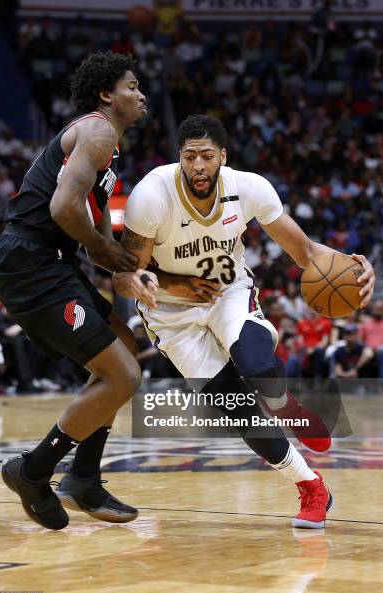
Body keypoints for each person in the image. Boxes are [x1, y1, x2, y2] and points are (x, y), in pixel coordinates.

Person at [119, 114, 375, 528]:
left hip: (227, 293)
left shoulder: (249, 187)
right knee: (235, 409)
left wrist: (355, 267)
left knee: (257, 368)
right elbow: (125, 275)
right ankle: (311, 486)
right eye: (189, 157)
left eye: (206, 156)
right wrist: (176, 283)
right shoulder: (150, 196)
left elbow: (305, 252)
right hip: (169, 314)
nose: (198, 166)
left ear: (223, 156)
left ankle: (285, 405)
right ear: (179, 158)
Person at [0, 52, 158, 531]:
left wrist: (120, 265)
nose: (141, 93)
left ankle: (83, 477)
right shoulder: (98, 130)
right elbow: (64, 207)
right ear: (107, 95)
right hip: (31, 260)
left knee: (125, 347)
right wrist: (103, 249)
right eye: (131, 85)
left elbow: (93, 221)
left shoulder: (108, 146)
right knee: (124, 376)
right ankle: (34, 470)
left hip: (51, 260)